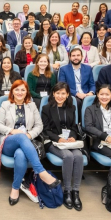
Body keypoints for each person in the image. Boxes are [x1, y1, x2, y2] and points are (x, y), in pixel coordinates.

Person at [0, 80, 61, 205]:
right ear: (12, 91)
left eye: (23, 90)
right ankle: (41, 172)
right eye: (17, 89)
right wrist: (12, 131)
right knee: (20, 137)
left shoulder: (31, 106)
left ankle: (15, 188)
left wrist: (30, 135)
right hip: (8, 141)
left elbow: (39, 125)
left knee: (20, 154)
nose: (20, 92)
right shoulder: (5, 104)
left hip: (26, 143)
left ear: (27, 92)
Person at [41, 82, 84, 210]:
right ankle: (67, 190)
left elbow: (74, 127)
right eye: (57, 93)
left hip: (69, 141)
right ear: (53, 94)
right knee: (68, 156)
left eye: (63, 93)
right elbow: (45, 130)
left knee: (79, 156)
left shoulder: (72, 108)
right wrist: (58, 138)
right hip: (53, 141)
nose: (60, 96)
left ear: (67, 94)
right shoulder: (47, 108)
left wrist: (72, 136)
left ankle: (75, 191)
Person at [58, 47, 95, 112]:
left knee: (94, 101)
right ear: (70, 57)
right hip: (72, 94)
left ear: (82, 57)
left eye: (78, 55)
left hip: (86, 94)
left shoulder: (88, 68)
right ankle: (79, 121)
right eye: (73, 56)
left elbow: (92, 84)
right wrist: (77, 94)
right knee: (78, 102)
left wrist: (91, 92)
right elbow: (62, 86)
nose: (76, 58)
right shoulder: (63, 69)